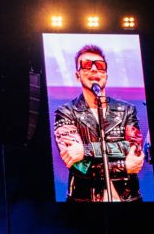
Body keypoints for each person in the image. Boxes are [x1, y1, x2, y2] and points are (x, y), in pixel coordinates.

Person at [53, 44, 145, 202]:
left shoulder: (127, 110)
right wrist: (123, 167)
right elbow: (77, 165)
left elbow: (133, 150)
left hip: (129, 199)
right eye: (87, 65)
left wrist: (85, 149)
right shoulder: (66, 112)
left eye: (100, 66)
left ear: (106, 75)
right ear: (77, 75)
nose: (94, 69)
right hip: (83, 201)